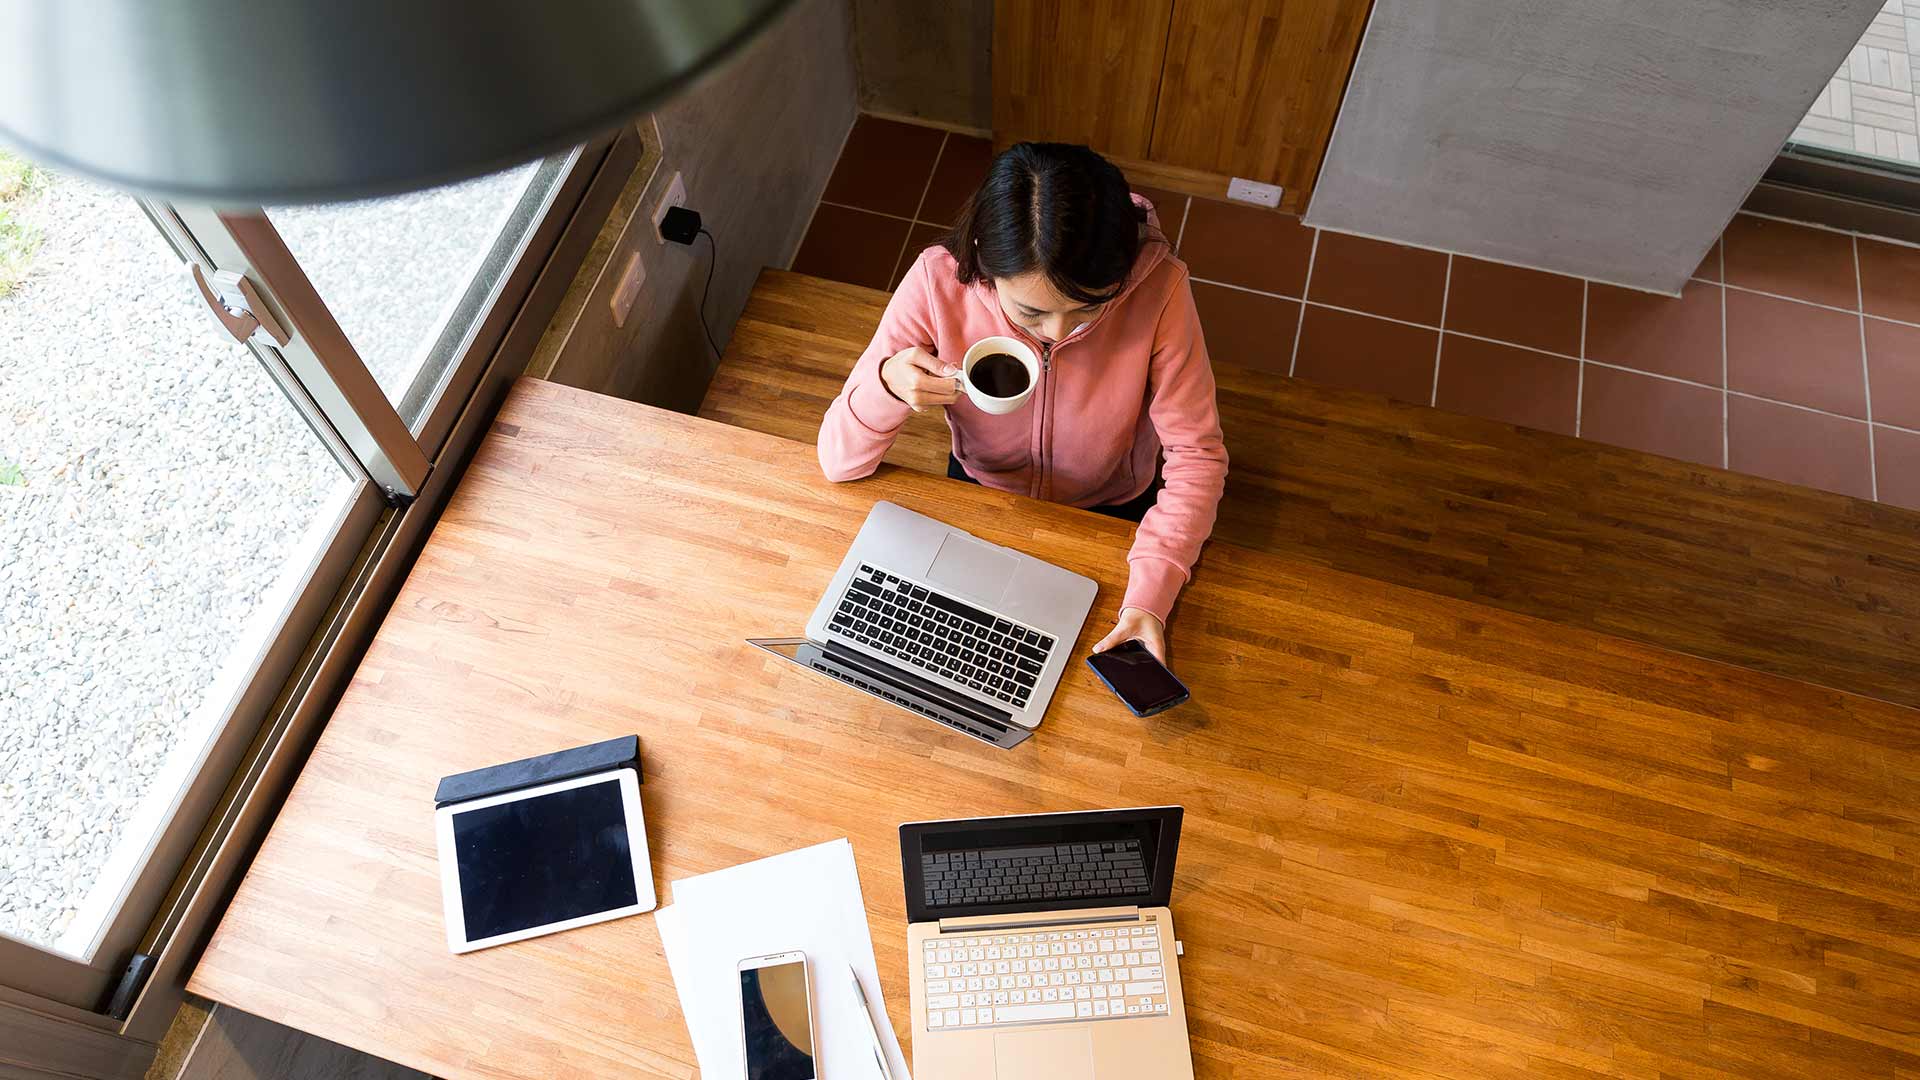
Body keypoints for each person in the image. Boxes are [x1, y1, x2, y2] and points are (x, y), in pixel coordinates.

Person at [816, 141, 1226, 664]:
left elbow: (1197, 457)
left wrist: (1151, 594)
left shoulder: (1160, 289)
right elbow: (837, 462)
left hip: (1114, 507)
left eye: (1087, 308)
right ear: (986, 261)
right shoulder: (936, 280)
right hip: (981, 491)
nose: (1057, 332)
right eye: (1031, 313)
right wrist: (886, 386)